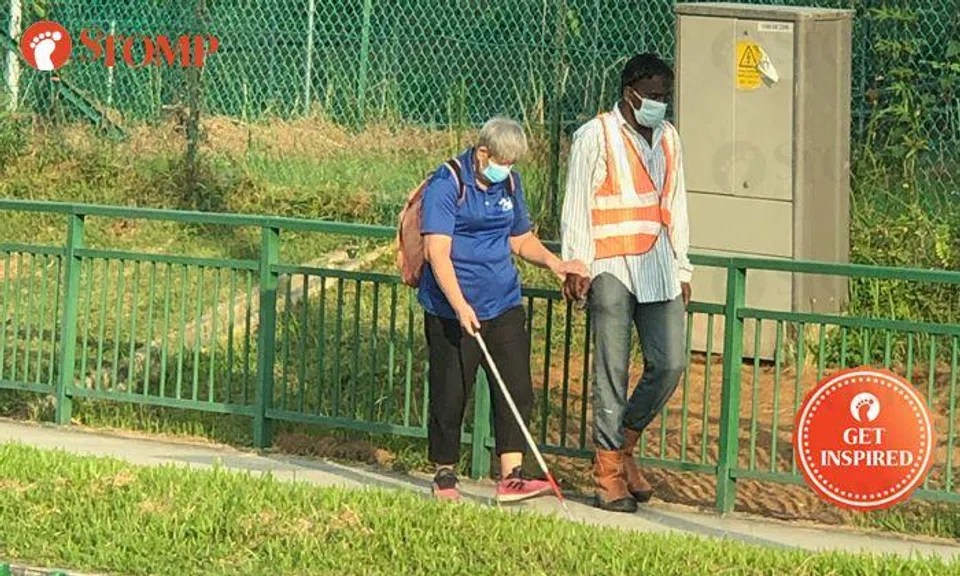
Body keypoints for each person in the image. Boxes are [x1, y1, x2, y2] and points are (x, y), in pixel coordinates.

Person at [418, 116, 589, 502]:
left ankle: (511, 474)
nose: (506, 169)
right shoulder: (447, 183)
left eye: (513, 163)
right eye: (501, 161)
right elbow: (437, 252)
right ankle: (445, 472)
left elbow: (520, 238)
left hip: (503, 302)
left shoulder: (510, 183)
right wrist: (459, 305)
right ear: (482, 153)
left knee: (515, 388)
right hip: (453, 308)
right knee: (451, 390)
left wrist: (555, 263)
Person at [560, 53, 693, 513]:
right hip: (610, 266)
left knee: (671, 362)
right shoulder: (594, 136)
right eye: (653, 95)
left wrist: (683, 268)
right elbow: (577, 200)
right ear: (629, 92)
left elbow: (675, 206)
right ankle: (607, 472)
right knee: (611, 371)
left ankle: (626, 443)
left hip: (657, 265)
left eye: (666, 96)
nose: (660, 104)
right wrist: (576, 264)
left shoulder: (669, 137)